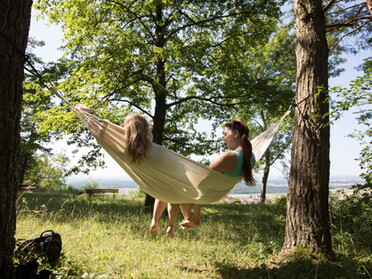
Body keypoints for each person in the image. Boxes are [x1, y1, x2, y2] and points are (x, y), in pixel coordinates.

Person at [151, 119, 256, 235]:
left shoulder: (229, 157)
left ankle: (184, 219)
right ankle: (180, 221)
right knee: (173, 189)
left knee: (168, 185)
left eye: (225, 134)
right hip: (216, 193)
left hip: (205, 193)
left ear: (235, 134)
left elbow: (201, 181)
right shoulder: (251, 158)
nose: (224, 138)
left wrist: (197, 215)